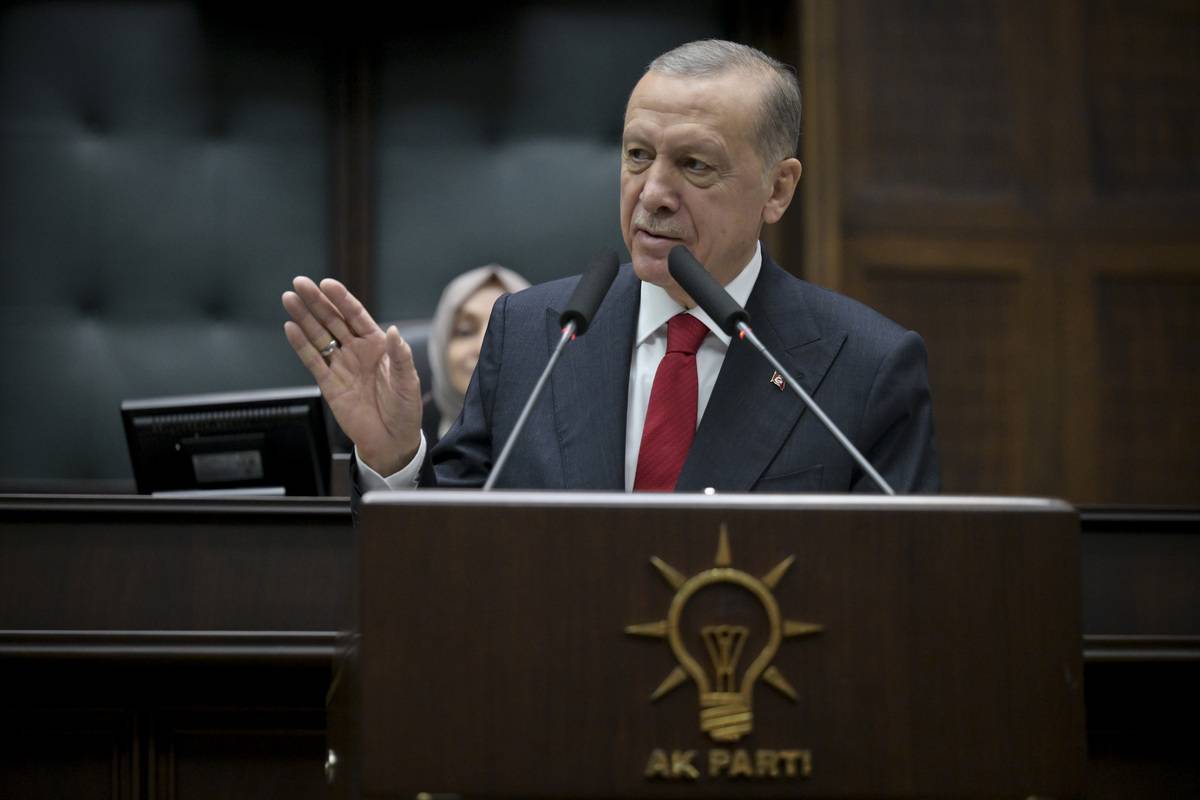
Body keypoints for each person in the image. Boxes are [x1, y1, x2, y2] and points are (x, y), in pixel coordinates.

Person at [282, 39, 939, 493]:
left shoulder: (866, 367)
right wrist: (395, 457)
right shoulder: (533, 332)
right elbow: (452, 556)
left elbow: (902, 586)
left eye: (694, 164)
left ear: (778, 190)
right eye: (636, 155)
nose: (652, 192)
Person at [423, 265, 530, 445]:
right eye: (465, 331)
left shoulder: (568, 442)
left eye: (505, 330)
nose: (483, 347)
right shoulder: (406, 445)